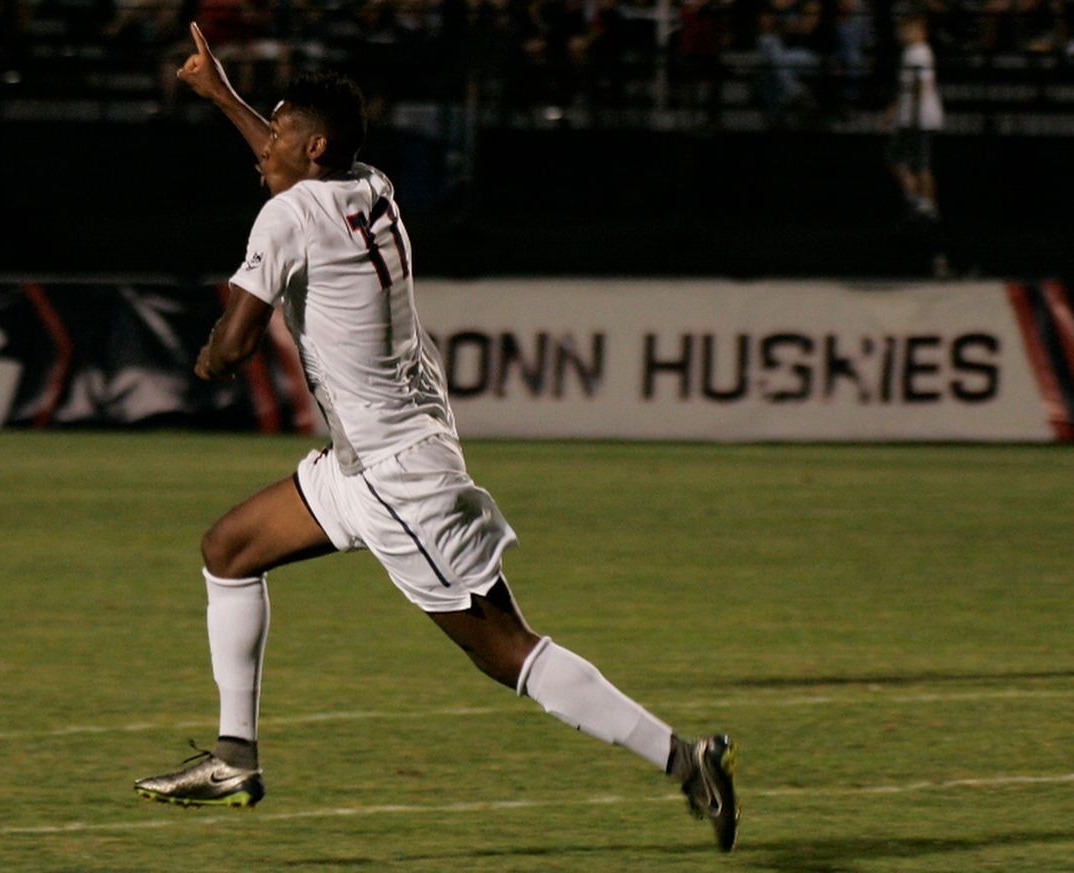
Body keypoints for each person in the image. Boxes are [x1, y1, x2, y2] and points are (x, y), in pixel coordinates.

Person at [132, 21, 741, 853]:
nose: (262, 145)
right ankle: (235, 755)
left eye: (274, 130)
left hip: (394, 475)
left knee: (504, 651)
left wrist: (208, 359)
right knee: (230, 548)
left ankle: (684, 756)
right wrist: (225, 96)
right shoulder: (368, 184)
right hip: (375, 459)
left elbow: (236, 344)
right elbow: (295, 168)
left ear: (311, 148)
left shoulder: (290, 217)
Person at [884, 13, 943, 220]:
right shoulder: (911, 52)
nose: (905, 33)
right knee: (903, 160)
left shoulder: (919, 53)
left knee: (920, 163)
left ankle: (925, 203)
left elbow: (921, 85)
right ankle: (916, 198)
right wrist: (894, 111)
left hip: (918, 119)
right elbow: (906, 88)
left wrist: (915, 118)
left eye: (910, 29)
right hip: (910, 118)